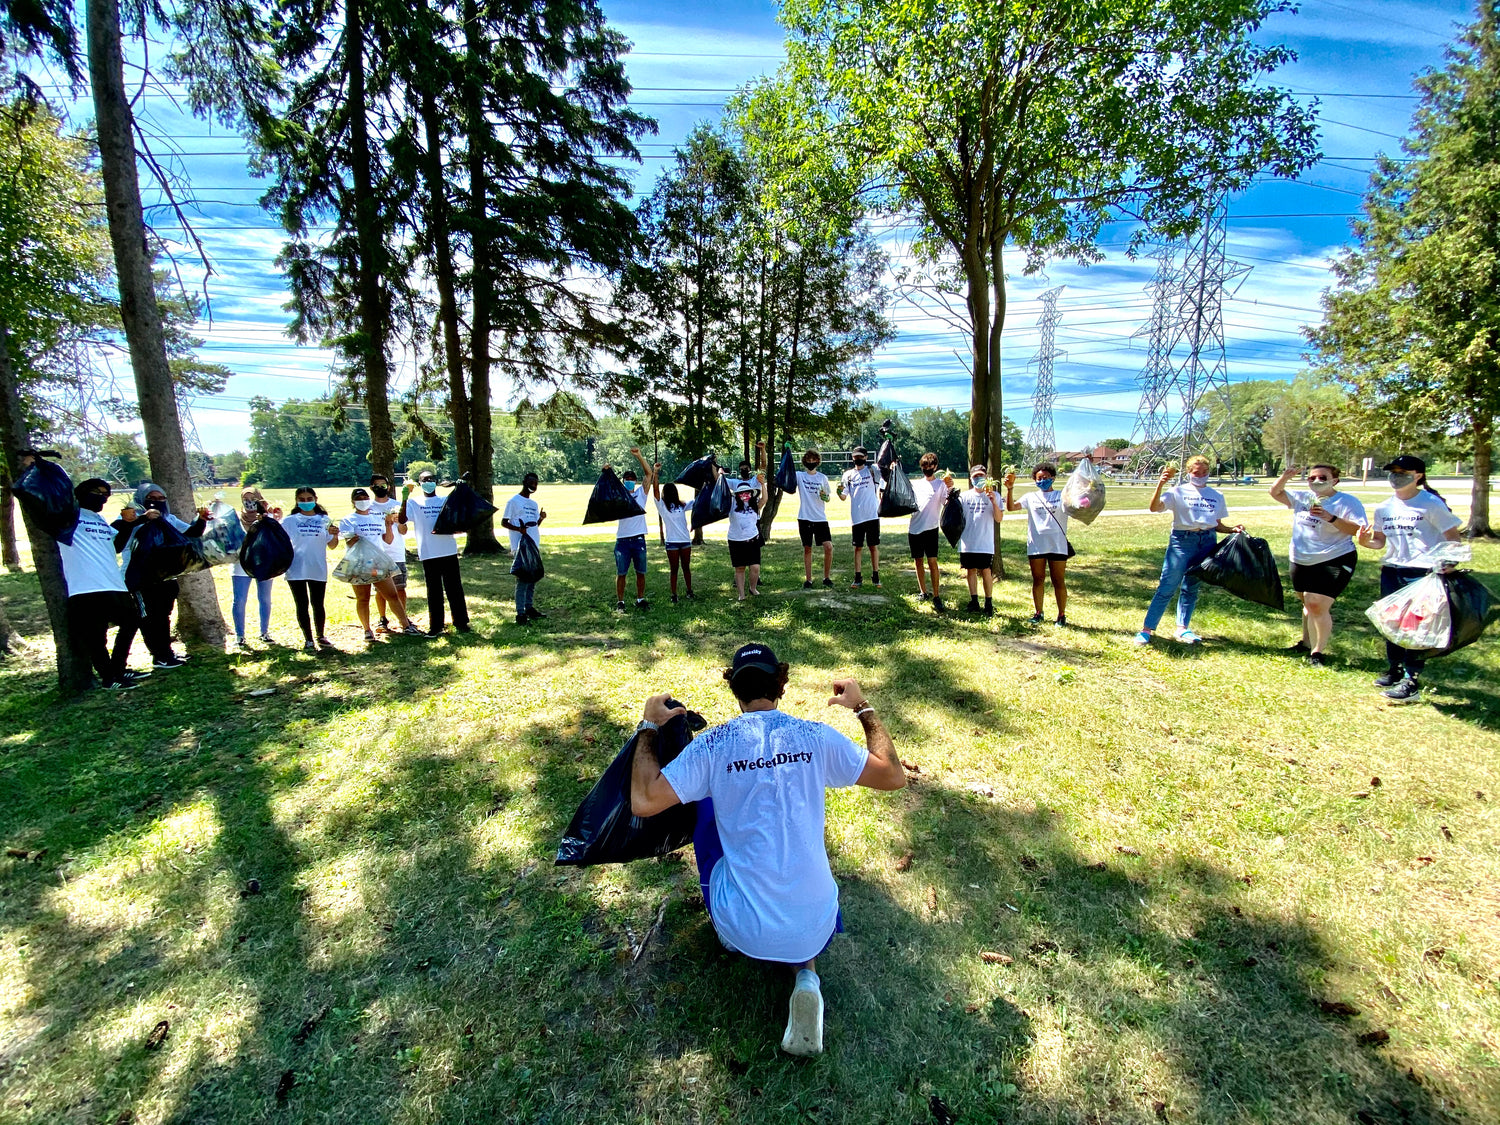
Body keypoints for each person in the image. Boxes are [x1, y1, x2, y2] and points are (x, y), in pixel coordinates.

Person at [628, 642, 906, 1057]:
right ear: (782, 684)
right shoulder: (816, 736)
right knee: (792, 860)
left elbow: (644, 800)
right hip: (817, 924)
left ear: (734, 691)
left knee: (705, 807)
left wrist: (649, 726)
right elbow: (893, 776)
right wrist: (862, 706)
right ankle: (807, 978)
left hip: (744, 929)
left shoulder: (713, 745)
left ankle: (731, 933)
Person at [1356, 455, 1463, 704]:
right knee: (1392, 622)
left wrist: (1449, 563)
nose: (1396, 476)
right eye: (1392, 471)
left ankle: (1411, 680)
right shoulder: (1384, 507)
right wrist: (1364, 542)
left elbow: (1453, 537)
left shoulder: (1430, 504)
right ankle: (1394, 669)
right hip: (1393, 570)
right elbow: (1379, 542)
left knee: (1416, 625)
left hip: (1423, 572)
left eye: (1402, 471)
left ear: (1418, 476)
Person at [1134, 456, 1243, 646]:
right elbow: (1154, 508)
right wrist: (1160, 483)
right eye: (1196, 472)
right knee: (1167, 585)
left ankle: (1182, 629)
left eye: (1204, 472)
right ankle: (1147, 629)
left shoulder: (1217, 495)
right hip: (1182, 541)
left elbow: (1216, 524)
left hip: (1207, 541)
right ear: (1188, 473)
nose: (1200, 476)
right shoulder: (1177, 491)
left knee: (1191, 586)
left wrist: (1232, 529)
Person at [1269, 463, 1367, 667]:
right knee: (1306, 602)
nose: (1316, 481)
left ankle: (1317, 653)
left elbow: (1357, 530)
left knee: (1316, 604)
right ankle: (1305, 643)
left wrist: (1331, 518)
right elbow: (1275, 492)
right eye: (1312, 478)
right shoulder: (1303, 498)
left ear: (1335, 481)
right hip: (1301, 558)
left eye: (1322, 477)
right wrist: (1285, 477)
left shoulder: (1347, 502)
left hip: (1334, 557)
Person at [60, 478, 144, 689]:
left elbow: (115, 546)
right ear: (82, 493)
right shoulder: (68, 516)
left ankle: (118, 668)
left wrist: (127, 524)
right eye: (97, 492)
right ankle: (108, 677)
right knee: (96, 636)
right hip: (85, 585)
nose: (102, 497)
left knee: (132, 620)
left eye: (106, 494)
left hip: (113, 583)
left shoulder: (98, 518)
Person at [114, 481, 209, 669]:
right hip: (139, 578)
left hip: (165, 577)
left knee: (164, 615)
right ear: (141, 499)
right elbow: (118, 542)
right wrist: (141, 519)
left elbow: (192, 533)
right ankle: (158, 655)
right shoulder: (131, 516)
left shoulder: (169, 518)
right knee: (148, 617)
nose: (156, 502)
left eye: (161, 498)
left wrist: (202, 519)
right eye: (151, 498)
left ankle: (166, 653)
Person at [342, 487, 425, 642]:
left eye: (365, 498)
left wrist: (387, 525)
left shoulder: (375, 518)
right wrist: (357, 537)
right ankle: (367, 630)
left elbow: (388, 540)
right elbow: (349, 541)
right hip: (358, 564)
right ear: (353, 502)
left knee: (392, 595)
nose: (363, 501)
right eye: (358, 499)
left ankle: (406, 625)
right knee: (363, 597)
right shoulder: (348, 519)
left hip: (377, 563)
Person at [402, 469, 469, 635]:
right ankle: (436, 625)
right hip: (428, 552)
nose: (428, 482)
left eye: (431, 479)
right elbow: (402, 519)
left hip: (448, 550)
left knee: (454, 588)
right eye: (425, 480)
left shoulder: (444, 500)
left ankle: (461, 622)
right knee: (434, 591)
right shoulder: (414, 503)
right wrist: (404, 498)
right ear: (419, 483)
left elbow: (460, 512)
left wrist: (460, 488)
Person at [1005, 462, 1071, 625]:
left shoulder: (1062, 496)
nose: (1042, 480)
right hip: (1036, 545)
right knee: (1038, 579)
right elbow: (1011, 508)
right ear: (1035, 479)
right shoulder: (1030, 497)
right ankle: (1038, 612)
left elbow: (1077, 507)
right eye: (1039, 478)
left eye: (1046, 477)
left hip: (1057, 545)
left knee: (1058, 580)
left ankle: (1061, 615)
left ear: (1053, 478)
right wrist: (1010, 489)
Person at [283, 486, 339, 653]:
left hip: (317, 567)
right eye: (302, 499)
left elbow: (333, 546)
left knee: (318, 603)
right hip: (296, 568)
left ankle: (320, 635)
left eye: (309, 499)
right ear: (297, 501)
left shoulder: (324, 519)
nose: (306, 502)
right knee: (301, 604)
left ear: (315, 499)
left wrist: (335, 534)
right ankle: (308, 639)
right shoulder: (289, 521)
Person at [228, 486, 281, 649]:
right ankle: (240, 636)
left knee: (264, 599)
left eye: (253, 499)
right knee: (239, 600)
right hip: (240, 565)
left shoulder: (268, 516)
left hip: (264, 563)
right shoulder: (235, 517)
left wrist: (272, 518)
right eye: (246, 500)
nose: (249, 503)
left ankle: (264, 632)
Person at [608, 448, 654, 611]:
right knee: (621, 573)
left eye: (631, 479)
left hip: (638, 539)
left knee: (641, 572)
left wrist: (639, 456)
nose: (629, 481)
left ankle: (640, 599)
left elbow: (649, 475)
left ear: (635, 481)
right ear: (623, 481)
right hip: (622, 540)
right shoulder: (619, 496)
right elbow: (607, 487)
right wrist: (607, 472)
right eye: (626, 479)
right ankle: (620, 602)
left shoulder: (641, 493)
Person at [908, 453, 954, 612]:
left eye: (930, 466)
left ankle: (936, 595)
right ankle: (923, 592)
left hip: (931, 529)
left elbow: (947, 502)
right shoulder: (915, 484)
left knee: (932, 562)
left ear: (935, 467)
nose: (927, 469)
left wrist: (950, 488)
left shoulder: (941, 484)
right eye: (924, 467)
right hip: (914, 528)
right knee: (918, 561)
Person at [501, 472, 547, 625]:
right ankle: (520, 613)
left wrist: (540, 518)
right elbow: (504, 522)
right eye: (531, 482)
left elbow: (534, 525)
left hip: (533, 545)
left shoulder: (533, 504)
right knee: (522, 579)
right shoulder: (514, 501)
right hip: (520, 546)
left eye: (536, 483)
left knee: (532, 577)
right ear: (524, 482)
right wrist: (517, 529)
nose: (533, 486)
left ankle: (529, 607)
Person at [957, 464, 1004, 615]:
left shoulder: (994, 495)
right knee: (970, 571)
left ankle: (988, 602)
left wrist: (993, 502)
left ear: (986, 478)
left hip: (985, 542)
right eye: (976, 476)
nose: (978, 479)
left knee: (986, 571)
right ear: (971, 478)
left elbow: (999, 519)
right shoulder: (964, 496)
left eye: (981, 476)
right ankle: (974, 600)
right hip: (968, 541)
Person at [366, 473, 408, 634]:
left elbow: (404, 531)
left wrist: (398, 522)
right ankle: (382, 619)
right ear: (371, 488)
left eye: (383, 485)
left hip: (396, 553)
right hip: (377, 554)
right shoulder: (367, 507)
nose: (380, 488)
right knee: (380, 591)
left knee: (400, 588)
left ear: (389, 487)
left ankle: (403, 618)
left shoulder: (397, 505)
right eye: (376, 485)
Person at [837, 446, 885, 587]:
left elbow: (885, 466)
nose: (858, 459)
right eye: (855, 457)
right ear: (852, 458)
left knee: (873, 546)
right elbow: (844, 496)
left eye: (861, 456)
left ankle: (875, 576)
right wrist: (839, 493)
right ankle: (858, 577)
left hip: (872, 514)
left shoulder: (872, 471)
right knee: (858, 547)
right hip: (857, 517)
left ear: (866, 457)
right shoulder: (848, 475)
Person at [652, 472, 695, 602]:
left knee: (686, 567)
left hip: (685, 541)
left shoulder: (681, 505)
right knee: (674, 569)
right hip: (672, 542)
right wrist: (655, 474)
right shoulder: (662, 506)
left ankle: (689, 590)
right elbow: (655, 490)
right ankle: (674, 594)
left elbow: (696, 502)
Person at [728, 459, 767, 601]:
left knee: (755, 567)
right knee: (739, 568)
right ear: (737, 495)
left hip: (753, 540)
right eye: (741, 493)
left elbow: (764, 499)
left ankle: (752, 588)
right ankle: (741, 594)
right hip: (736, 541)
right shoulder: (731, 505)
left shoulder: (754, 505)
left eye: (747, 493)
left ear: (751, 493)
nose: (745, 495)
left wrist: (763, 485)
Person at [795, 450, 834, 589]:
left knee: (828, 547)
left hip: (820, 518)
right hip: (804, 517)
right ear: (805, 461)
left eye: (814, 459)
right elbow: (786, 474)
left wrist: (825, 497)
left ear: (818, 461)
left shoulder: (822, 477)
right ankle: (809, 579)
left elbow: (828, 497)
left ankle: (827, 577)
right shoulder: (799, 476)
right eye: (808, 459)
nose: (811, 462)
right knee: (807, 548)